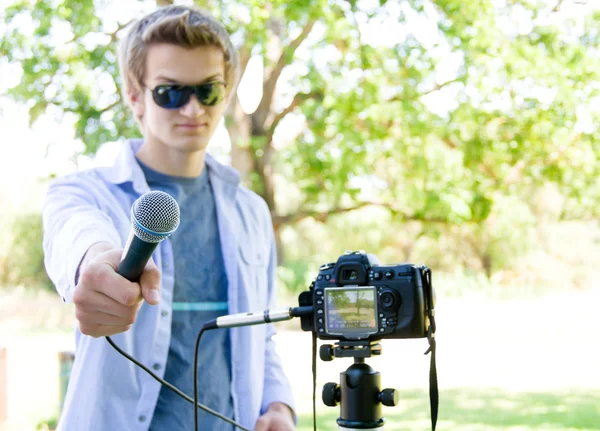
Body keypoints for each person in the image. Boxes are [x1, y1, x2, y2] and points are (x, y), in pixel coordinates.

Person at [42, 5, 296, 431]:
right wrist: (94, 262)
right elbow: (76, 234)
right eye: (170, 92)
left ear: (227, 92)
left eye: (208, 91)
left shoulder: (252, 211)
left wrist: (278, 407)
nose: (193, 109)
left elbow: (261, 336)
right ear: (136, 96)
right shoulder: (83, 192)